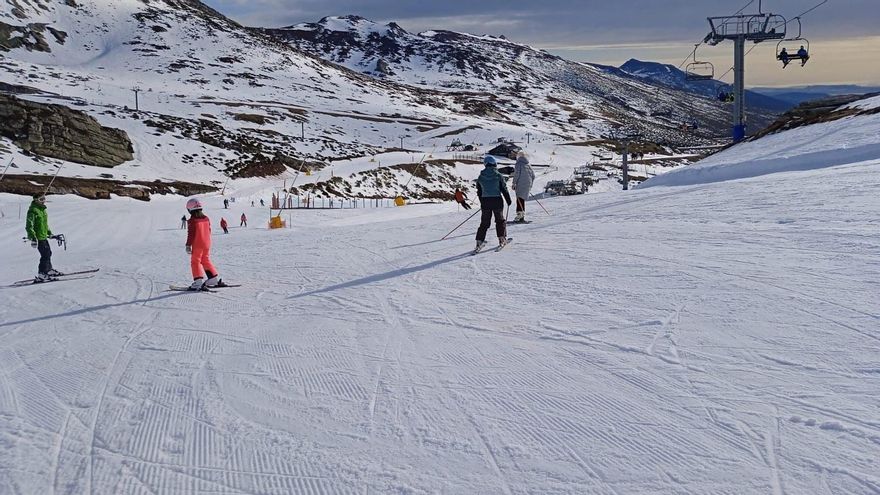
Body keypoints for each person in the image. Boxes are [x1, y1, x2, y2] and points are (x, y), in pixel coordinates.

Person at [184, 198, 226, 290]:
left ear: (190, 209)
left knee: (195, 261)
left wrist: (188, 245)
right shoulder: (206, 218)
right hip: (207, 243)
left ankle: (198, 282)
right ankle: (213, 278)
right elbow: (209, 230)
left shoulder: (192, 220)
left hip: (197, 243)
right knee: (205, 260)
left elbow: (191, 234)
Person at [474, 156, 511, 253]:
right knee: (500, 220)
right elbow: (503, 188)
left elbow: (479, 191)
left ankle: (479, 242)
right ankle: (502, 239)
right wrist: (508, 200)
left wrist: (482, 202)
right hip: (497, 201)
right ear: (494, 163)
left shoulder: (481, 176)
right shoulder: (498, 175)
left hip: (486, 201)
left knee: (484, 223)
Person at [25, 194, 62, 282]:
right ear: (36, 200)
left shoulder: (42, 210)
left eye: (44, 198)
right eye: (41, 199)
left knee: (48, 253)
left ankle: (48, 270)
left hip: (43, 236)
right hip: (38, 237)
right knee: (45, 255)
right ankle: (42, 273)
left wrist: (49, 234)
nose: (43, 200)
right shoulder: (33, 211)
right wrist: (33, 237)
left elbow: (44, 224)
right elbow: (29, 225)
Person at [512, 151, 535, 223]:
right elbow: (533, 176)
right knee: (522, 199)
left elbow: (517, 174)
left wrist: (514, 183)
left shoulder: (518, 164)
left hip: (520, 184)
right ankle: (521, 216)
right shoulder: (528, 165)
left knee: (519, 199)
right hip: (528, 184)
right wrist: (529, 184)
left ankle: (520, 216)